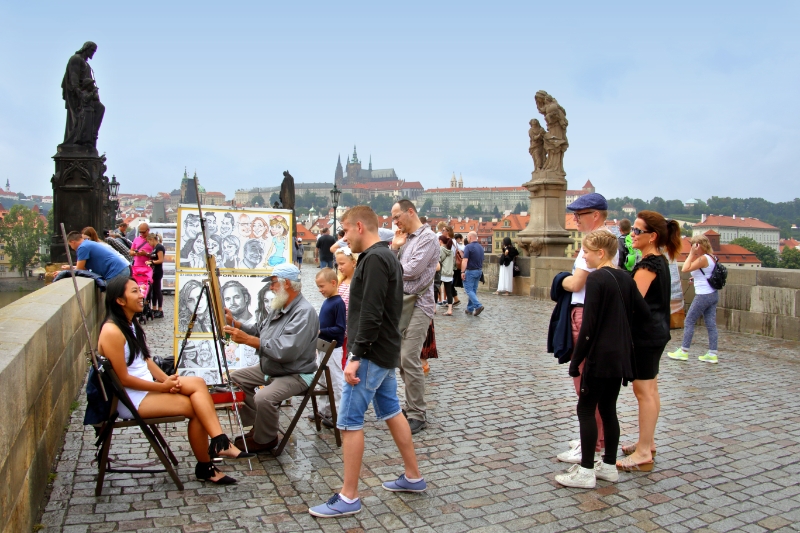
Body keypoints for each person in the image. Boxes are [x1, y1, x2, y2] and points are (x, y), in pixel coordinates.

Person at [309, 206, 425, 518]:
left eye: (345, 231)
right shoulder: (387, 255)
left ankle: (349, 496)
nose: (343, 239)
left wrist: (355, 356)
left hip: (371, 353)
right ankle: (413, 477)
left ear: (359, 226)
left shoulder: (374, 259)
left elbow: (370, 313)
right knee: (391, 411)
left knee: (348, 422)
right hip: (384, 350)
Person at [97, 277, 254, 485]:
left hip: (147, 388)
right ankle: (207, 466)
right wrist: (162, 386)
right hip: (131, 399)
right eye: (135, 291)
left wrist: (167, 379)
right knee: (196, 409)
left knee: (197, 383)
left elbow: (145, 360)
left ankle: (219, 441)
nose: (142, 295)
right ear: (120, 300)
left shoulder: (128, 323)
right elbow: (124, 379)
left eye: (140, 290)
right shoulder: (112, 331)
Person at [555, 231, 649, 488]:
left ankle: (586, 470)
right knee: (609, 409)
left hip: (599, 355)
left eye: (586, 251)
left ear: (601, 253)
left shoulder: (596, 279)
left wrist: (577, 361)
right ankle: (608, 466)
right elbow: (644, 313)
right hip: (619, 356)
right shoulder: (625, 278)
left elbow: (589, 326)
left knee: (586, 409)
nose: (583, 256)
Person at [223, 264, 319, 453]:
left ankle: (266, 439)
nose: (271, 288)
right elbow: (261, 330)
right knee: (236, 379)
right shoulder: (280, 306)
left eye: (274, 283)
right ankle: (258, 426)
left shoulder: (304, 312)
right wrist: (235, 323)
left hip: (295, 372)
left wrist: (249, 341)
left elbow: (286, 351)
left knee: (264, 397)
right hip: (275, 367)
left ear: (288, 284)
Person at [617, 211, 681, 472]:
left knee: (643, 392)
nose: (632, 234)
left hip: (645, 336)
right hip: (657, 333)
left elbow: (633, 303)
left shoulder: (647, 266)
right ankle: (648, 442)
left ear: (652, 236)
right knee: (650, 389)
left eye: (637, 231)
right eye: (632, 229)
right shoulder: (659, 260)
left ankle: (643, 452)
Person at [558, 193, 619, 465]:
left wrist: (560, 280)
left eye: (579, 215)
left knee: (585, 386)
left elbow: (576, 284)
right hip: (597, 317)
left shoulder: (593, 246)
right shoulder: (608, 241)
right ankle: (595, 440)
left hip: (584, 316)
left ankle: (590, 446)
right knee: (596, 390)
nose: (575, 219)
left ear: (595, 215)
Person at [390, 199, 439, 434]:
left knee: (409, 357)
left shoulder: (428, 238)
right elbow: (397, 268)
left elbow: (410, 271)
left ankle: (418, 413)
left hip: (419, 304)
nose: (395, 222)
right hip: (403, 304)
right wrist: (395, 248)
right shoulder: (407, 239)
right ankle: (411, 406)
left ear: (411, 212)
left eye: (397, 216)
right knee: (401, 358)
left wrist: (393, 265)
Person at [668, 235, 720, 364]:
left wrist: (691, 254)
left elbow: (685, 269)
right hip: (712, 294)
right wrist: (695, 279)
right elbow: (707, 274)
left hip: (703, 295)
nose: (692, 247)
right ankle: (712, 353)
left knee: (689, 321)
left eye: (693, 245)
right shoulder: (712, 257)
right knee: (711, 324)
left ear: (699, 245)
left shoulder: (703, 258)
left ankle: (684, 351)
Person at [314, 268, 346, 429]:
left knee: (335, 381)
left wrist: (321, 331)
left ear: (333, 283)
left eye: (322, 286)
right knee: (322, 380)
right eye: (318, 287)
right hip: (323, 347)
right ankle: (324, 410)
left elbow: (340, 328)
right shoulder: (327, 302)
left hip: (333, 349)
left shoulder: (338, 303)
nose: (320, 290)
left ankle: (339, 413)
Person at [64, 232, 130, 281]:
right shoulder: (87, 243)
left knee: (111, 297)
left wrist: (64, 273)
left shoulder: (83, 247)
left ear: (72, 242)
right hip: (121, 269)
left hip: (116, 272)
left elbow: (79, 270)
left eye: (70, 245)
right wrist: (71, 267)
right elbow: (84, 268)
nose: (71, 248)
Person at [461, 231, 485, 316]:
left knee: (468, 289)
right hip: (479, 270)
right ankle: (470, 309)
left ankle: (478, 306)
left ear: (470, 237)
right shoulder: (481, 247)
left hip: (471, 271)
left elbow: (465, 260)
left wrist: (462, 271)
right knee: (473, 290)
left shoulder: (468, 247)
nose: (467, 239)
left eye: (467, 237)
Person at [145, 233, 165, 318]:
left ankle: (160, 309)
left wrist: (152, 262)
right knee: (153, 291)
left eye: (149, 241)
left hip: (157, 271)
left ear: (152, 239)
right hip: (153, 271)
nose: (149, 244)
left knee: (157, 290)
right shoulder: (155, 248)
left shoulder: (159, 247)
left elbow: (160, 260)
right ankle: (154, 308)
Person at [438, 234, 455, 316]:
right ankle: (449, 309)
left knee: (436, 289)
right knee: (449, 292)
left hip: (442, 272)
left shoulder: (441, 249)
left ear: (440, 241)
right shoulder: (451, 251)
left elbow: (439, 260)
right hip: (449, 273)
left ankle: (433, 308)